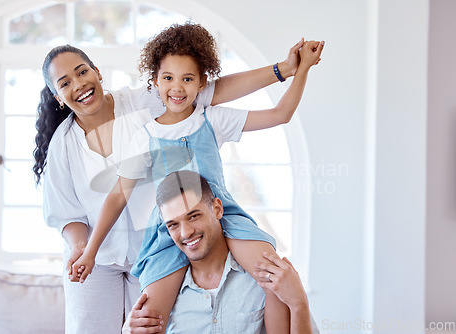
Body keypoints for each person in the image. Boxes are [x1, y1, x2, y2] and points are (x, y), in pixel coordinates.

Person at [34, 35, 307, 333]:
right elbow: (78, 207)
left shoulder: (151, 100)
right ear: (58, 96)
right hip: (107, 254)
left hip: (168, 236)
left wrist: (285, 69)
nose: (78, 83)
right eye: (64, 83)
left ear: (97, 71)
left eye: (82, 71)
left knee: (154, 321)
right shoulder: (69, 142)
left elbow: (217, 91)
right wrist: (84, 249)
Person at [124, 170, 315, 333]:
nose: (186, 232)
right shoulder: (163, 293)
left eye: (194, 216)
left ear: (217, 209)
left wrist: (299, 304)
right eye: (173, 225)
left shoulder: (264, 277)